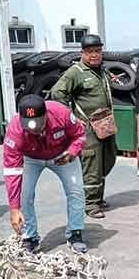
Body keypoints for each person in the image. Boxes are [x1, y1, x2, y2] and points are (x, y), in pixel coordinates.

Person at [3, 94, 88, 254]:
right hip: (31, 159)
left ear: (46, 115)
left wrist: (72, 152)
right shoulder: (15, 131)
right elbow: (11, 172)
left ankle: (75, 233)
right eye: (28, 126)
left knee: (76, 190)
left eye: (38, 124)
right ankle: (30, 237)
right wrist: (14, 209)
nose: (33, 129)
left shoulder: (61, 113)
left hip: (62, 155)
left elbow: (80, 134)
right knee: (24, 195)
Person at [49, 34, 116, 218]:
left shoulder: (101, 70)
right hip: (88, 127)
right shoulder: (75, 72)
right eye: (90, 52)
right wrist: (71, 117)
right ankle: (90, 204)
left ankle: (98, 197)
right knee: (91, 164)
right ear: (82, 53)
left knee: (106, 160)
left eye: (98, 51)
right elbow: (57, 93)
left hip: (104, 124)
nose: (94, 55)